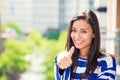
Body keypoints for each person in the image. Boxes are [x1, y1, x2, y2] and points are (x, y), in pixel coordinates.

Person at [54, 10, 116, 80]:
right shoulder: (65, 60)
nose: (77, 36)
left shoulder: (106, 61)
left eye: (84, 31)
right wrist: (61, 58)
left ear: (94, 33)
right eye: (74, 30)